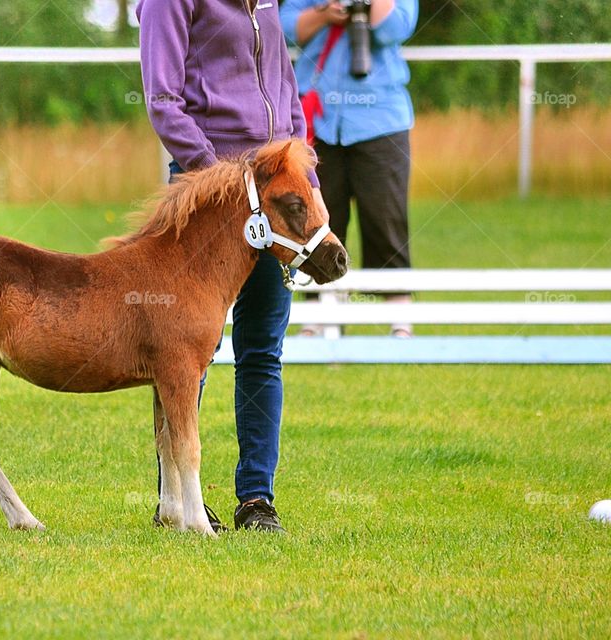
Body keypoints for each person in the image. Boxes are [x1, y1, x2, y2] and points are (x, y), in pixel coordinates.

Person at [136, 0, 332, 532]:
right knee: (184, 353)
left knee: (262, 347)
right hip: (209, 190)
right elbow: (163, 100)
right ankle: (174, 497)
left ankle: (257, 500)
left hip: (277, 191)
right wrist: (221, 183)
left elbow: (288, 96)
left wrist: (307, 188)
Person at [281, 0, 418, 337]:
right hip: (318, 121)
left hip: (381, 120)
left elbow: (395, 29)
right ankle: (321, 319)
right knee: (317, 222)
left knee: (385, 219)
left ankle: (400, 322)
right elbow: (284, 28)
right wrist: (325, 14)